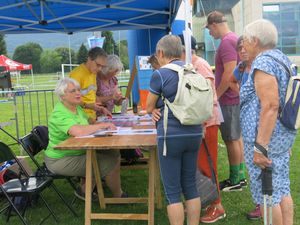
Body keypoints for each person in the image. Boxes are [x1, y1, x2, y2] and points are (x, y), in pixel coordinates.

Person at [241, 19, 297, 225]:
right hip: (281, 137)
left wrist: (260, 147)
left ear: (255, 41)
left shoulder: (264, 63)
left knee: (268, 195)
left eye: (245, 40)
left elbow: (271, 106)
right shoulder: (283, 59)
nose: (244, 45)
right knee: (282, 188)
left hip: (265, 140)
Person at [146, 35, 202, 225]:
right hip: (194, 132)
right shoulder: (193, 71)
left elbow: (148, 107)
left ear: (161, 53)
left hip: (171, 135)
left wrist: (153, 110)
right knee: (190, 185)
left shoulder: (160, 74)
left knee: (172, 192)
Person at [44, 78, 126, 200]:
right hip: (61, 159)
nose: (78, 93)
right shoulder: (59, 113)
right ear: (62, 96)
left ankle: (84, 190)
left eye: (78, 90)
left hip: (77, 152)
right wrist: (103, 125)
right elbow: (77, 131)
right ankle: (118, 196)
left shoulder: (76, 108)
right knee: (110, 161)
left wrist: (101, 118)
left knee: (112, 152)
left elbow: (89, 122)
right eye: (72, 91)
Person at [179, 34, 226, 223]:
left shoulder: (200, 65)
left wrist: (203, 122)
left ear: (185, 50)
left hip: (206, 124)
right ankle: (204, 201)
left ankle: (217, 206)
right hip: (198, 124)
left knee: (208, 164)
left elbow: (210, 96)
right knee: (199, 165)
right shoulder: (190, 65)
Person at [205, 11, 246, 191]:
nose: (209, 33)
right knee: (236, 138)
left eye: (209, 29)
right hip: (233, 98)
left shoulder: (227, 42)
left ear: (214, 24)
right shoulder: (233, 39)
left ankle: (235, 180)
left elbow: (229, 73)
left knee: (231, 139)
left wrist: (216, 96)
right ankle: (241, 177)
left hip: (229, 99)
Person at [231, 36, 262, 220]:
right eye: (239, 48)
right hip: (248, 122)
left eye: (244, 47)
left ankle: (268, 203)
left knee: (264, 163)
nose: (242, 51)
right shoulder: (241, 68)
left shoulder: (261, 66)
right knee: (253, 164)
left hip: (263, 121)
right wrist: (243, 92)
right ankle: (260, 203)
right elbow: (231, 81)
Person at [69, 47, 111, 122]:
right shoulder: (77, 74)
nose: (100, 69)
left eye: (102, 66)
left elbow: (91, 94)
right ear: (89, 58)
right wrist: (88, 105)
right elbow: (71, 99)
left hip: (91, 118)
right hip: (80, 119)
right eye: (98, 65)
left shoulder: (93, 73)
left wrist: (101, 108)